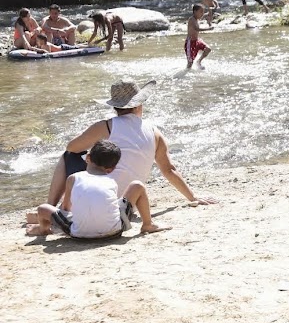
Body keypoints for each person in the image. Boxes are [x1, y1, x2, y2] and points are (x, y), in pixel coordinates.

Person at [25, 79, 218, 225]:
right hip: (127, 203)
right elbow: (169, 170)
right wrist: (193, 197)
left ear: (115, 107)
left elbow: (72, 148)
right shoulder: (154, 131)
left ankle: (53, 207)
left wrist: (92, 149)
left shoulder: (107, 126)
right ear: (139, 104)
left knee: (68, 156)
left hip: (100, 195)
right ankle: (57, 209)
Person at [26, 140, 171, 237]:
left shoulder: (73, 178)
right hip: (114, 230)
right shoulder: (111, 181)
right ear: (111, 169)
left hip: (78, 233)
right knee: (137, 185)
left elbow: (66, 207)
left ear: (87, 158)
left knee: (43, 208)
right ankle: (148, 224)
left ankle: (43, 230)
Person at [185, 4, 213, 70]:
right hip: (190, 43)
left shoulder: (197, 18)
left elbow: (205, 15)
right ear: (195, 12)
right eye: (201, 11)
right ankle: (185, 73)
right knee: (190, 63)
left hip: (197, 41)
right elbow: (196, 29)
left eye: (203, 11)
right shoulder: (191, 19)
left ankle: (198, 61)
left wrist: (209, 13)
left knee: (208, 49)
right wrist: (208, 29)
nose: (202, 13)